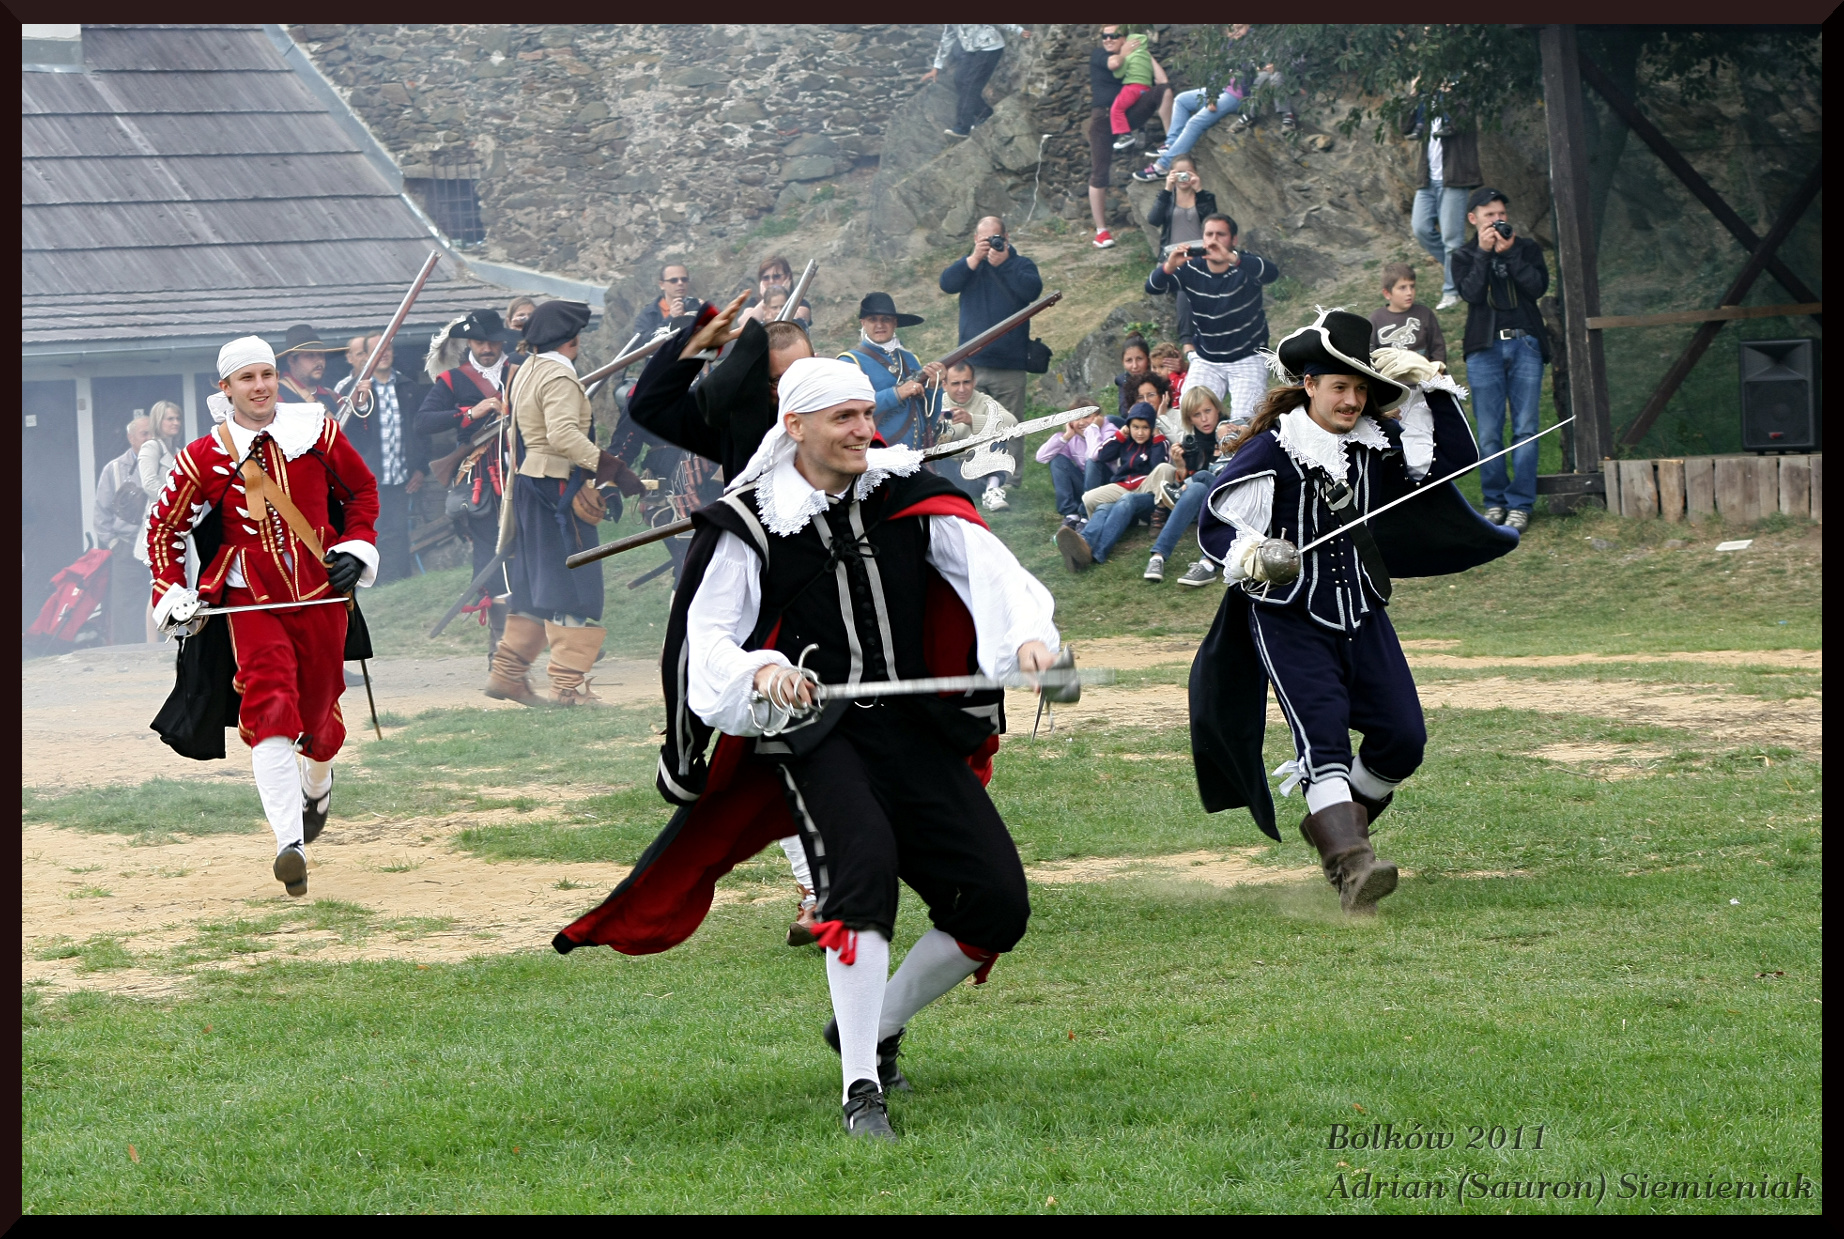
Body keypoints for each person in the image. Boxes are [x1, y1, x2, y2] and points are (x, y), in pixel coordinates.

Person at [553, 356, 1061, 1142]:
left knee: (996, 902)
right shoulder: (753, 521)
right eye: (844, 418)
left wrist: (1027, 639)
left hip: (914, 730)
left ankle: (875, 1023)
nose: (864, 430)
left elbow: (991, 573)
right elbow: (708, 640)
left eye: (868, 414)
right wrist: (764, 671)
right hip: (818, 737)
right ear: (795, 427)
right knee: (860, 878)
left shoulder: (904, 492)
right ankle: (861, 1088)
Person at [1191, 308, 1516, 913]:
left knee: (1403, 740)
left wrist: (1429, 387)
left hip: (1362, 612)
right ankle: (1351, 865)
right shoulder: (1272, 449)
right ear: (1309, 385)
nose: (1351, 400)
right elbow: (1218, 525)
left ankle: (1339, 830)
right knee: (1323, 741)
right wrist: (1254, 554)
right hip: (1287, 617)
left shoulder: (1374, 445)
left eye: (1361, 389)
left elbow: (1451, 464)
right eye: (1339, 386)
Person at [145, 335, 380, 898]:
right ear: (225, 388)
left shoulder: (318, 431)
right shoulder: (203, 456)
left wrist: (356, 549)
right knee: (269, 705)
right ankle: (288, 844)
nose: (260, 387)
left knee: (320, 722)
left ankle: (317, 783)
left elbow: (363, 492)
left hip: (321, 595)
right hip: (250, 601)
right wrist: (171, 591)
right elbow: (164, 527)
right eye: (246, 378)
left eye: (267, 375)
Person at [489, 300, 629, 707]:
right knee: (571, 586)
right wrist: (614, 470)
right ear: (573, 339)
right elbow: (564, 435)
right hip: (556, 488)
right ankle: (567, 689)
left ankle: (508, 675)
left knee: (538, 584)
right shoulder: (560, 374)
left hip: (533, 484)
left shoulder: (527, 369)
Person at [416, 309, 525, 663]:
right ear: (469, 342)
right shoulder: (452, 380)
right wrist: (469, 413)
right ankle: (501, 651)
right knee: (489, 557)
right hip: (482, 480)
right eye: (479, 342)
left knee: (535, 553)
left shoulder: (522, 369)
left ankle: (561, 634)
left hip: (526, 474)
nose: (487, 348)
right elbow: (423, 422)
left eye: (492, 341)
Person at [1448, 187, 1549, 531]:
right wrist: (1483, 253)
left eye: (1501, 214)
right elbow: (1471, 293)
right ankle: (1495, 502)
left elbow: (1537, 288)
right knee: (1489, 431)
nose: (1497, 220)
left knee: (1526, 428)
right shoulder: (1463, 255)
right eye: (1489, 215)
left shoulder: (1526, 248)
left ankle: (1520, 504)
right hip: (1484, 348)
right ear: (1473, 219)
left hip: (1525, 344)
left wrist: (1511, 255)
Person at [1145, 212, 1279, 425]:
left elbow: (1272, 273)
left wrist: (1232, 258)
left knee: (1246, 423)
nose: (1214, 240)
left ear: (1233, 240)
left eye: (1221, 235)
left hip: (1248, 356)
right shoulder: (1190, 266)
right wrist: (1169, 267)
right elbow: (1152, 287)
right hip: (1207, 358)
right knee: (1190, 416)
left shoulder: (1245, 265)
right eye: (1209, 234)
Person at [335, 333, 428, 584]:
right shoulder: (351, 389)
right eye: (377, 350)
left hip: (400, 476)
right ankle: (375, 585)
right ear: (367, 356)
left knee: (398, 530)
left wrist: (421, 468)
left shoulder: (409, 387)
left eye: (387, 348)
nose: (383, 354)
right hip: (367, 479)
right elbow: (345, 436)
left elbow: (421, 432)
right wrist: (359, 403)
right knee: (371, 532)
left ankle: (397, 584)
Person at [937, 215, 1043, 419]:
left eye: (995, 238)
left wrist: (1005, 265)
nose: (990, 245)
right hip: (972, 365)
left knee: (1009, 429)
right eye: (984, 240)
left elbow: (1032, 291)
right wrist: (973, 259)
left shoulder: (1020, 264)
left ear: (1006, 238)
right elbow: (947, 284)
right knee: (968, 428)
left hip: (1010, 366)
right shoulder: (970, 265)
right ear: (976, 239)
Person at [1054, 402, 1176, 572]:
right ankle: (1084, 543)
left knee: (1163, 470)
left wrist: (1157, 438)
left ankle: (1096, 553)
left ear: (1152, 427)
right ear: (1129, 426)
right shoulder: (1125, 440)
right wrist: (1120, 435)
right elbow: (1101, 455)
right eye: (1135, 427)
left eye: (1145, 428)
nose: (1140, 432)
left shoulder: (1159, 443)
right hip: (1125, 486)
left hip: (1148, 491)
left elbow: (1159, 465)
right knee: (1093, 501)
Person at [1086, 25, 1173, 249]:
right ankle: (1101, 232)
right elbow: (1114, 64)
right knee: (1099, 172)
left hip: (1129, 114)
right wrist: (1125, 51)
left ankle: (1171, 142)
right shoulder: (1099, 55)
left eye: (1113, 36)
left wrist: (1144, 52)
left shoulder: (1135, 57)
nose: (1107, 39)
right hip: (1103, 118)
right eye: (1104, 36)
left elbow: (1162, 80)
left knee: (1164, 90)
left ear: (1125, 38)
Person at [1145, 384, 1239, 587]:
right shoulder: (1192, 443)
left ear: (1217, 409)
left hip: (1233, 499)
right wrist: (1180, 466)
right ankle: (1158, 557)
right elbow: (1192, 495)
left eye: (1208, 411)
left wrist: (1236, 434)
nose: (1204, 419)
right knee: (1197, 486)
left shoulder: (1231, 430)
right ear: (1189, 419)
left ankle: (1201, 562)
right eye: (1197, 415)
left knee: (1202, 477)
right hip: (1206, 505)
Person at [838, 293, 943, 450]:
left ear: (895, 322)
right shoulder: (851, 361)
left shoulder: (910, 359)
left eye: (886, 319)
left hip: (917, 453)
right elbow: (847, 410)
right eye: (873, 319)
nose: (879, 325)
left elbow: (929, 418)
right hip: (876, 454)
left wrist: (935, 387)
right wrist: (897, 394)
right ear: (863, 323)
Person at [1404, 95, 1480, 311]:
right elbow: (1405, 127)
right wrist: (1413, 96)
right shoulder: (1427, 103)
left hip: (1454, 178)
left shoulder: (1463, 98)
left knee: (1452, 240)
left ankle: (1452, 291)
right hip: (1428, 180)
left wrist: (1451, 96)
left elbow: (1461, 124)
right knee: (1420, 228)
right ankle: (1464, 269)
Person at [1141, 158, 1218, 348]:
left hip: (1200, 254)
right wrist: (1167, 189)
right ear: (1171, 175)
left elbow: (1213, 221)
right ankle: (1187, 340)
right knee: (1185, 281)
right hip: (1172, 255)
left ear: (1195, 173)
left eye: (1188, 173)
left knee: (1190, 280)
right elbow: (1153, 220)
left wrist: (1199, 191)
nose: (1183, 177)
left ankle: (1190, 340)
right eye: (1179, 173)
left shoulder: (1205, 197)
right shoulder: (1167, 198)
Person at [93, 413, 153, 645]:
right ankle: (128, 652)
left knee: (161, 600)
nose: (149, 438)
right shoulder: (114, 469)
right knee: (127, 606)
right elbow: (101, 513)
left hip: (158, 547)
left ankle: (162, 650)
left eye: (152, 433)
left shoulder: (164, 464)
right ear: (131, 438)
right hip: (126, 548)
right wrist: (114, 544)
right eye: (144, 434)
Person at [935, 362, 1019, 511]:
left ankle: (992, 491)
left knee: (999, 434)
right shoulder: (935, 404)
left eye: (966, 382)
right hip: (948, 470)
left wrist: (972, 420)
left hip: (979, 469)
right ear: (945, 385)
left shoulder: (984, 401)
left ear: (974, 382)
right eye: (955, 383)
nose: (962, 389)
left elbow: (1012, 423)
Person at [133, 402, 185, 640]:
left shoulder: (178, 450)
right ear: (158, 421)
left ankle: (167, 638)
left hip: (176, 524)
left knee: (172, 585)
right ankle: (152, 643)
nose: (175, 423)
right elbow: (149, 483)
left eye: (177, 418)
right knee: (161, 583)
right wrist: (176, 500)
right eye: (169, 419)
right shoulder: (151, 447)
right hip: (158, 522)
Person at [922, 25, 1028, 139]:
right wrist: (936, 67)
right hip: (971, 49)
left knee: (971, 85)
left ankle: (963, 127)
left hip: (990, 47)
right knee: (959, 79)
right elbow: (947, 38)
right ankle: (984, 112)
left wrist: (1018, 30)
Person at [1035, 407, 1101, 529]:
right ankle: (1071, 514)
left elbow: (1094, 455)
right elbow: (1041, 457)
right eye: (1076, 418)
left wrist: (1093, 430)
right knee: (1057, 460)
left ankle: (1086, 517)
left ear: (1097, 417)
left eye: (1086, 417)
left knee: (1092, 462)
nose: (1081, 422)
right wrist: (1066, 437)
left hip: (1103, 486)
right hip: (1084, 486)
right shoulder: (1072, 438)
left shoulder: (1105, 432)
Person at [1369, 263, 1447, 364]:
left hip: (1424, 370)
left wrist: (1437, 369)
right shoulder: (1376, 319)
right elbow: (1370, 353)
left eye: (1412, 286)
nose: (1409, 292)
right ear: (1387, 293)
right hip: (1390, 371)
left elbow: (1438, 348)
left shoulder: (1424, 314)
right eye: (1402, 288)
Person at [1107, 30, 1156, 150]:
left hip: (1132, 87)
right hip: (1146, 89)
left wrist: (1123, 56)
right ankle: (1141, 131)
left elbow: (1118, 74)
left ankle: (1126, 135)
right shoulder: (1146, 56)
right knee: (1135, 110)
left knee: (1117, 109)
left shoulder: (1130, 56)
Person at [630, 263, 706, 342]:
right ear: (661, 285)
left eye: (684, 279)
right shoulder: (648, 314)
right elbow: (639, 344)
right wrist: (671, 319)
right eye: (673, 280)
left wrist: (707, 316)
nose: (680, 283)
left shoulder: (697, 305)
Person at [275, 324, 345, 409]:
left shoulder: (333, 397)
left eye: (320, 354)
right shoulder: (276, 397)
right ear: (291, 361)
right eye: (310, 355)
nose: (319, 361)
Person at [744, 255, 812, 327]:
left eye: (776, 276)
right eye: (766, 278)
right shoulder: (753, 302)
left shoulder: (801, 303)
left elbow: (799, 319)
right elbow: (744, 324)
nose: (771, 281)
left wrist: (782, 294)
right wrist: (766, 298)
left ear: (787, 277)